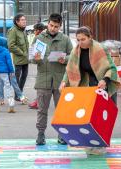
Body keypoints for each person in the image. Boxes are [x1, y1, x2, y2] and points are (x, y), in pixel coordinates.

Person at [60, 26, 119, 155]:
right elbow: (70, 69)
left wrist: (104, 80)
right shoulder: (76, 51)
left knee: (100, 117)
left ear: (90, 37)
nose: (80, 42)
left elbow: (112, 68)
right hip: (86, 87)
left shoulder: (100, 49)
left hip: (101, 86)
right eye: (78, 40)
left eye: (83, 39)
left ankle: (101, 144)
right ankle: (89, 143)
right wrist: (64, 81)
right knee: (87, 117)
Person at [33, 13, 73, 145]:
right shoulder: (39, 38)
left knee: (61, 110)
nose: (53, 28)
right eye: (51, 25)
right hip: (43, 80)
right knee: (42, 110)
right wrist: (36, 59)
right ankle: (40, 134)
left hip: (60, 80)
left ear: (60, 26)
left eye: (56, 26)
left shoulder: (65, 39)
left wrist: (65, 59)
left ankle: (62, 134)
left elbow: (73, 57)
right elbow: (32, 57)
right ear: (48, 24)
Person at [7, 14, 29, 101]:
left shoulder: (23, 30)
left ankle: (19, 94)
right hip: (19, 59)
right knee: (17, 77)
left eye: (25, 19)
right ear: (17, 21)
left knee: (24, 75)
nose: (24, 21)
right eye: (22, 20)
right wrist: (22, 53)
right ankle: (18, 94)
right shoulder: (13, 31)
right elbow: (11, 45)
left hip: (25, 58)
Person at [0, 36, 16, 113]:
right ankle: (11, 105)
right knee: (8, 87)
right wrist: (11, 71)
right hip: (5, 72)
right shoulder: (5, 51)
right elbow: (9, 62)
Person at [28, 23, 46, 110]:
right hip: (48, 62)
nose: (34, 32)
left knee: (40, 84)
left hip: (41, 63)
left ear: (38, 30)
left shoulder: (38, 37)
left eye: (35, 30)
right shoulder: (47, 36)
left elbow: (33, 50)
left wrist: (31, 59)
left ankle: (38, 102)